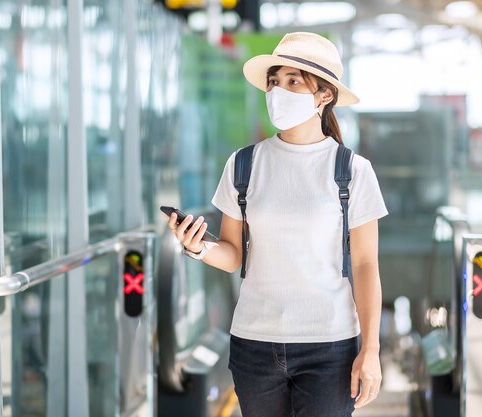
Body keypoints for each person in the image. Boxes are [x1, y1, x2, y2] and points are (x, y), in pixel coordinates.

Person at [166, 32, 388, 417]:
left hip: (330, 347)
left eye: (292, 81)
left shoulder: (352, 171)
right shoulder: (244, 165)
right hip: (254, 344)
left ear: (324, 95)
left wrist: (371, 350)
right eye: (273, 82)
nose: (278, 91)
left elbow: (367, 266)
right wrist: (198, 247)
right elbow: (234, 254)